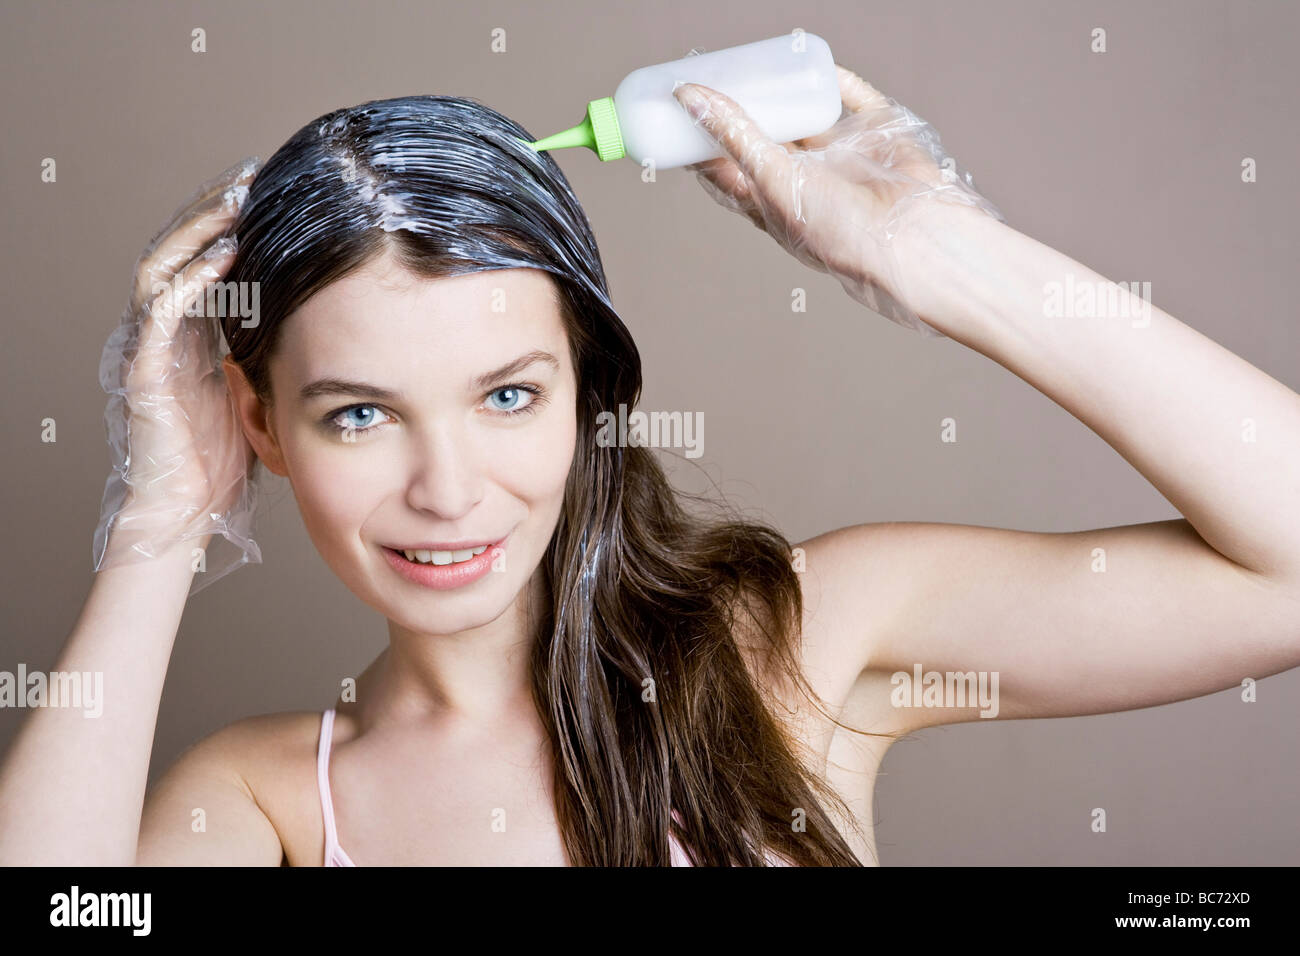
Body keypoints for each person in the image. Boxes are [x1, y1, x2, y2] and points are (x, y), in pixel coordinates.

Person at [2, 67, 1298, 867]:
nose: (448, 487)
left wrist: (947, 262)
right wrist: (161, 517)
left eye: (508, 394)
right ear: (262, 426)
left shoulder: (798, 643)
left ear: (588, 393)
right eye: (357, 415)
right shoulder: (271, 798)